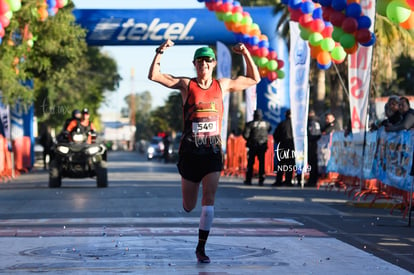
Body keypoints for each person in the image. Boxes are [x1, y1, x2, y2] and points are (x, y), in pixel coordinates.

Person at [148, 39, 260, 263]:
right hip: (190, 152)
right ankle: (190, 201)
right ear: (195, 65)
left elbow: (254, 79)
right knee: (189, 206)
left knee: (209, 199)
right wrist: (160, 52)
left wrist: (246, 53)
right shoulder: (186, 85)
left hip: (212, 152)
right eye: (200, 62)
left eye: (208, 61)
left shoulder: (223, 85)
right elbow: (154, 76)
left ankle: (201, 248)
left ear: (214, 64)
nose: (204, 65)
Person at [242, 109, 271, 186]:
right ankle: (261, 179)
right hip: (262, 145)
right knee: (262, 162)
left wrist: (250, 139)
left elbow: (245, 135)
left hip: (253, 145)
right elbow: (269, 130)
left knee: (250, 163)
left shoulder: (250, 124)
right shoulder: (266, 124)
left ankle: (249, 179)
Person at [273, 109, 298, 186]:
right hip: (292, 147)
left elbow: (275, 135)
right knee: (290, 165)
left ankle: (279, 180)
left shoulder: (282, 124)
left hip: (283, 146)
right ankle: (288, 181)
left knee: (281, 164)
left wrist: (279, 142)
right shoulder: (296, 125)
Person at [307, 110, 321, 187]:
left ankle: (312, 180)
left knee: (312, 163)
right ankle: (313, 179)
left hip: (312, 145)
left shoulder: (311, 123)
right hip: (315, 145)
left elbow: (312, 134)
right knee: (313, 164)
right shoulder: (317, 122)